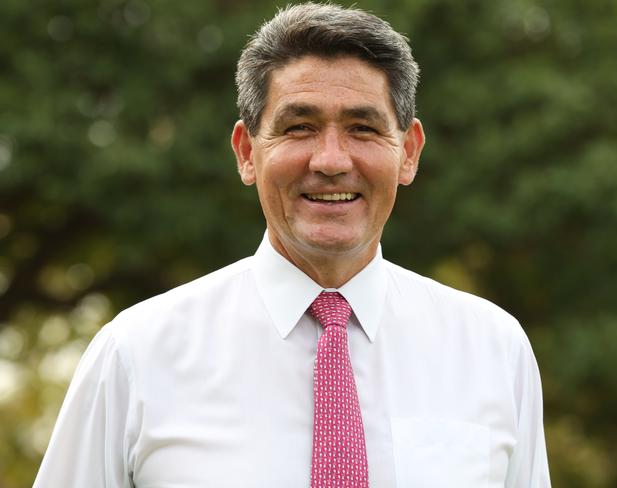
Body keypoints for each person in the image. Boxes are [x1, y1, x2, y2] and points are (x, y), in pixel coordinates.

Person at [34, 3, 551, 487]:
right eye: (299, 127)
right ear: (246, 153)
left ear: (409, 152)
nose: (330, 160)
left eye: (363, 128)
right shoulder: (136, 355)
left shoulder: (494, 351)